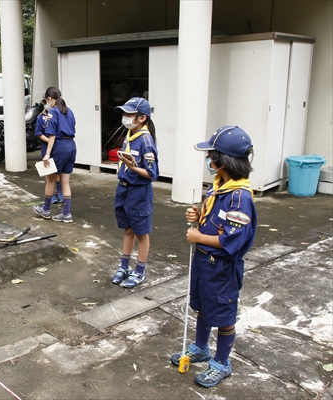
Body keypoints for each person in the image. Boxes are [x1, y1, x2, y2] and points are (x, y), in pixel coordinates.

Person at [170, 126, 257, 388]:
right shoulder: (220, 185)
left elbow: (233, 239)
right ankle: (201, 348)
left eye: (212, 155)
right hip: (204, 263)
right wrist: (198, 218)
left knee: (223, 315)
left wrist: (199, 238)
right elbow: (217, 221)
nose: (209, 160)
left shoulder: (239, 197)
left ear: (224, 160)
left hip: (221, 267)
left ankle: (221, 362)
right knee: (203, 306)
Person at [110, 97, 159, 289]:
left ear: (142, 118)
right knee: (128, 229)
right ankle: (124, 266)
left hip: (138, 192)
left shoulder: (145, 141)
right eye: (125, 114)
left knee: (141, 233)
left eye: (129, 114)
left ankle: (140, 271)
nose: (125, 117)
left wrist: (133, 167)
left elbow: (152, 173)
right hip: (124, 189)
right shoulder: (130, 135)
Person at [33, 87, 76, 223]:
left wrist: (47, 154)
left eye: (47, 99)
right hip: (71, 146)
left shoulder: (53, 113)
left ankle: (45, 209)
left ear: (50, 99)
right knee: (65, 181)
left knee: (50, 178)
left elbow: (52, 135)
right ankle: (66, 213)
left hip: (60, 147)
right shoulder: (69, 111)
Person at [34, 97, 64, 204]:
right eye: (45, 101)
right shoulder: (40, 117)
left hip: (58, 147)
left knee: (59, 171)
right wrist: (50, 141)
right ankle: (50, 195)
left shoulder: (58, 114)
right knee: (49, 170)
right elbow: (38, 134)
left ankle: (60, 192)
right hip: (46, 146)